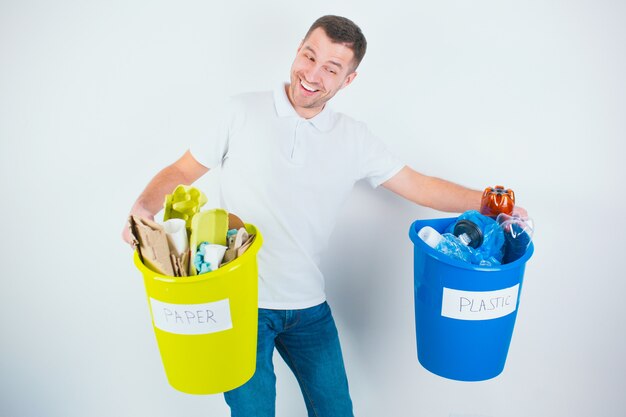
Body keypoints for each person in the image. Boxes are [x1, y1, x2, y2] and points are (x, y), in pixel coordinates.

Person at [123, 15, 526, 417]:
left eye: (331, 68)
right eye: (308, 56)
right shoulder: (241, 111)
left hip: (309, 308)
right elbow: (180, 172)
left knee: (336, 411)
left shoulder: (354, 137)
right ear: (298, 49)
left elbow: (419, 185)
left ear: (348, 79)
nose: (311, 74)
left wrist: (490, 202)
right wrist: (142, 209)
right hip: (241, 307)